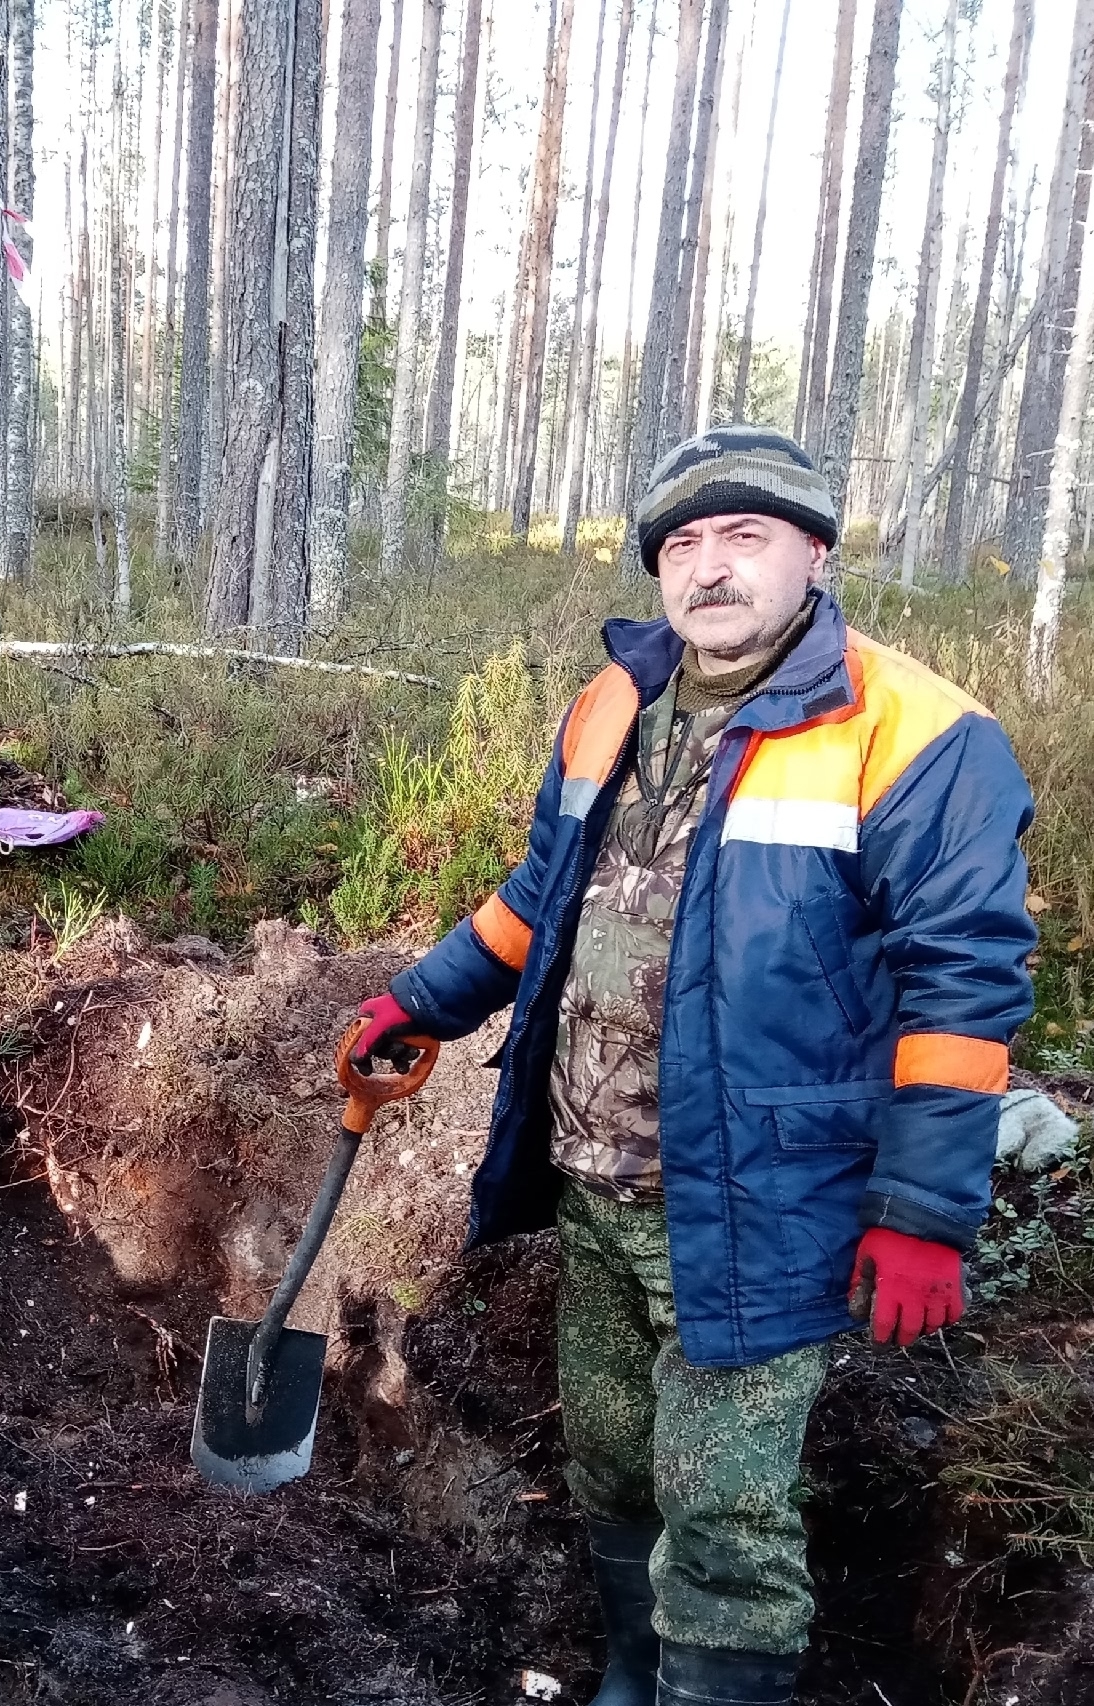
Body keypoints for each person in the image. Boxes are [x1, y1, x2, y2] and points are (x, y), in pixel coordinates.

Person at [349, 427, 1035, 1705]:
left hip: (759, 1195)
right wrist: (423, 1000)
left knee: (722, 1503)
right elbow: (540, 892)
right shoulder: (615, 703)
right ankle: (630, 1666)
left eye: (744, 537)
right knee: (610, 1457)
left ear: (813, 555)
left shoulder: (920, 734)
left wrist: (925, 1212)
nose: (709, 569)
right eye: (682, 545)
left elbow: (963, 979)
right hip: (592, 1173)